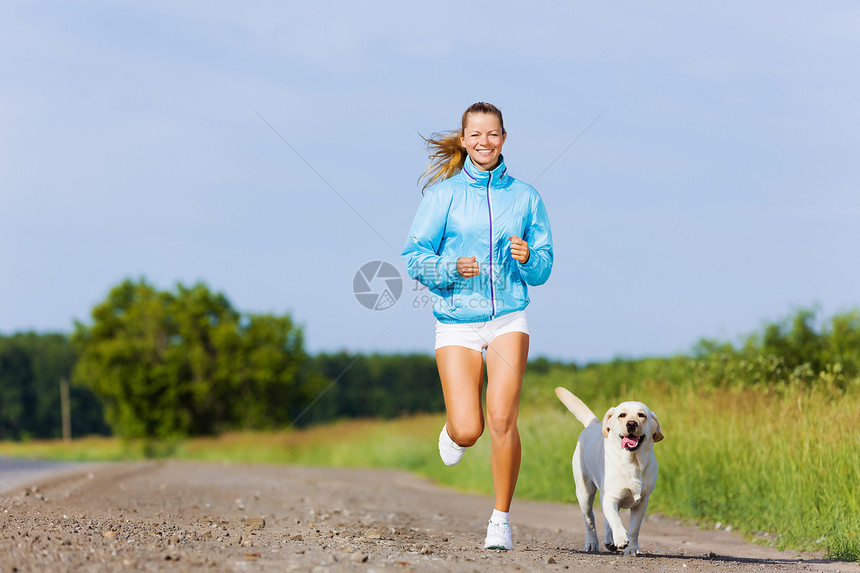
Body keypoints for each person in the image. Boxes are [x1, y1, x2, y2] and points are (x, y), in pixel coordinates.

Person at [401, 102, 553, 551]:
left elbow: (543, 268)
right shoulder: (442, 196)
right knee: (470, 429)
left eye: (493, 134)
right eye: (476, 135)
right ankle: (454, 432)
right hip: (456, 322)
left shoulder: (526, 197)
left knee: (503, 418)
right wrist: (450, 266)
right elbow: (414, 259)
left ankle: (500, 520)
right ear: (464, 140)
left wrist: (529, 259)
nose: (485, 142)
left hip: (509, 317)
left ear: (504, 138)